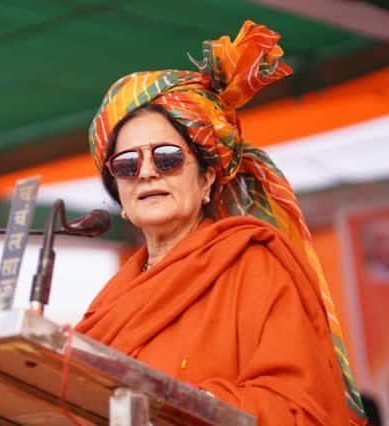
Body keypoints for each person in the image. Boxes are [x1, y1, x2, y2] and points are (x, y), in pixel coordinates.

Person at [75, 20, 367, 425]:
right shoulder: (111, 301)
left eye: (167, 158)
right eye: (127, 165)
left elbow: (298, 405)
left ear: (207, 179)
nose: (147, 173)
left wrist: (189, 406)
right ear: (119, 193)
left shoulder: (252, 265)